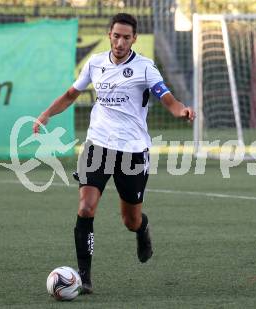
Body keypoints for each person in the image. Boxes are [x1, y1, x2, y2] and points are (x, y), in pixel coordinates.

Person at [33, 13, 195, 294]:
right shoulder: (96, 63)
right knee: (85, 207)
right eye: (116, 35)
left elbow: (165, 97)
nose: (120, 42)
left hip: (132, 152)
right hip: (97, 145)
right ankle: (84, 278)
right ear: (109, 35)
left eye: (126, 37)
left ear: (134, 39)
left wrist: (181, 110)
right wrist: (46, 114)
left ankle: (142, 230)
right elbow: (72, 94)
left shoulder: (145, 68)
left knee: (130, 220)